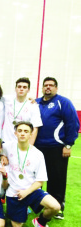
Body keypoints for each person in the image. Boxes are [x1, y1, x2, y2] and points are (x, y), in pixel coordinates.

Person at [3, 121, 60, 227]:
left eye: (26, 131)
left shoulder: (38, 154)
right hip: (14, 193)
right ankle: (23, 209)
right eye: (20, 131)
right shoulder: (7, 147)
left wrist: (26, 192)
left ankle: (40, 221)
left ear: (30, 134)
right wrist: (0, 156)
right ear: (15, 133)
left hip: (31, 191)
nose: (22, 134)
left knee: (55, 207)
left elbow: (40, 181)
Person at [35, 77, 80, 219]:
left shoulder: (63, 102)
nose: (48, 87)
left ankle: (58, 206)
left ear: (56, 88)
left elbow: (72, 123)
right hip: (37, 148)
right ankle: (36, 204)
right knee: (36, 178)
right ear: (42, 88)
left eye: (51, 85)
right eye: (45, 85)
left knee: (57, 178)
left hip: (56, 147)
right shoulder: (35, 103)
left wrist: (68, 144)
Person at [2, 77, 42, 144]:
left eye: (24, 87)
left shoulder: (33, 106)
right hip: (6, 142)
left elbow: (35, 128)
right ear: (15, 89)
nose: (21, 89)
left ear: (28, 90)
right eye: (19, 87)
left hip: (22, 144)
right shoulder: (7, 100)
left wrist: (29, 146)